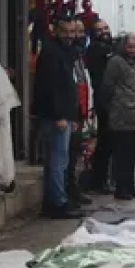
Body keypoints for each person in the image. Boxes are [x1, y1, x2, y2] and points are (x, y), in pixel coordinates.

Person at [32, 16, 83, 219]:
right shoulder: (52, 54)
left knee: (59, 160)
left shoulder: (65, 52)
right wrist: (59, 116)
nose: (70, 36)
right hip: (56, 117)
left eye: (73, 32)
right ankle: (57, 203)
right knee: (57, 160)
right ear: (56, 31)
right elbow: (50, 87)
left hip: (64, 115)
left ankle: (55, 200)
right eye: (66, 32)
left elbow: (69, 87)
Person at [100, 32, 135, 202]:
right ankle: (121, 187)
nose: (132, 50)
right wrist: (113, 106)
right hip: (122, 114)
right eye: (129, 47)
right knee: (122, 153)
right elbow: (107, 86)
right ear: (123, 47)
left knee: (133, 153)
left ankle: (130, 184)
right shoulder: (116, 62)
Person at [86, 20, 117, 192]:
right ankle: (100, 180)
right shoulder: (97, 50)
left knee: (110, 141)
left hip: (111, 100)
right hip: (104, 100)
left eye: (106, 28)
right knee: (106, 141)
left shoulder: (109, 49)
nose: (104, 32)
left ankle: (106, 179)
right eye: (99, 30)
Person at [66, 20, 93, 206]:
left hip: (81, 111)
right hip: (71, 112)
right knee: (67, 156)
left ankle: (73, 190)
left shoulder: (79, 56)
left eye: (81, 31)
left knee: (76, 153)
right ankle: (68, 193)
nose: (78, 35)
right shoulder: (67, 56)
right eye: (75, 31)